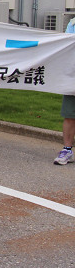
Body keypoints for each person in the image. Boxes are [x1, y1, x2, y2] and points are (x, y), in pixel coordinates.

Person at [54, 18, 75, 165]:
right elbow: (66, 45)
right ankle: (67, 149)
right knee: (70, 115)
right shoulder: (73, 23)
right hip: (72, 76)